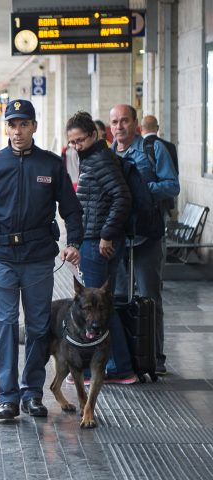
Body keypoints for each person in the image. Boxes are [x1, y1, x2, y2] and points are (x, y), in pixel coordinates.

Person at [0, 99, 83, 420]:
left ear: (34, 127)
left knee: (40, 327)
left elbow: (71, 209)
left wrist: (75, 243)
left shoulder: (51, 165)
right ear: (7, 128)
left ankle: (32, 393)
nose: (18, 131)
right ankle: (7, 397)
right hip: (0, 256)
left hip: (39, 257)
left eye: (24, 124)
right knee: (6, 325)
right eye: (12, 125)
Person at [66, 111, 137, 384]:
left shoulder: (100, 160)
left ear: (94, 135)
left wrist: (106, 235)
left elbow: (122, 197)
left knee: (96, 309)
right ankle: (116, 366)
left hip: (99, 243)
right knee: (101, 307)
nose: (76, 147)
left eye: (80, 140)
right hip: (94, 240)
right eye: (72, 142)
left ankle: (116, 367)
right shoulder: (93, 159)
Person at [109, 105, 179, 376]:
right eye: (115, 122)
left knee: (150, 298)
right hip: (118, 239)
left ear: (135, 123)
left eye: (124, 121)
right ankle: (126, 356)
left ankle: (154, 357)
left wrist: (140, 190)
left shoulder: (153, 150)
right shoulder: (108, 153)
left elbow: (172, 185)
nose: (119, 127)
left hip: (147, 237)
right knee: (118, 299)